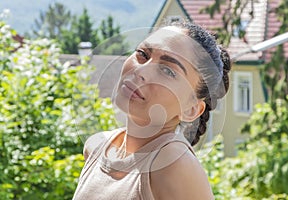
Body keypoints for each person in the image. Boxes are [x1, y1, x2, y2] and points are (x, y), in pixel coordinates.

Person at [72, 21, 231, 200]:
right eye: (142, 54)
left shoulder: (174, 164)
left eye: (168, 71)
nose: (141, 71)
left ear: (191, 109)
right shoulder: (96, 147)